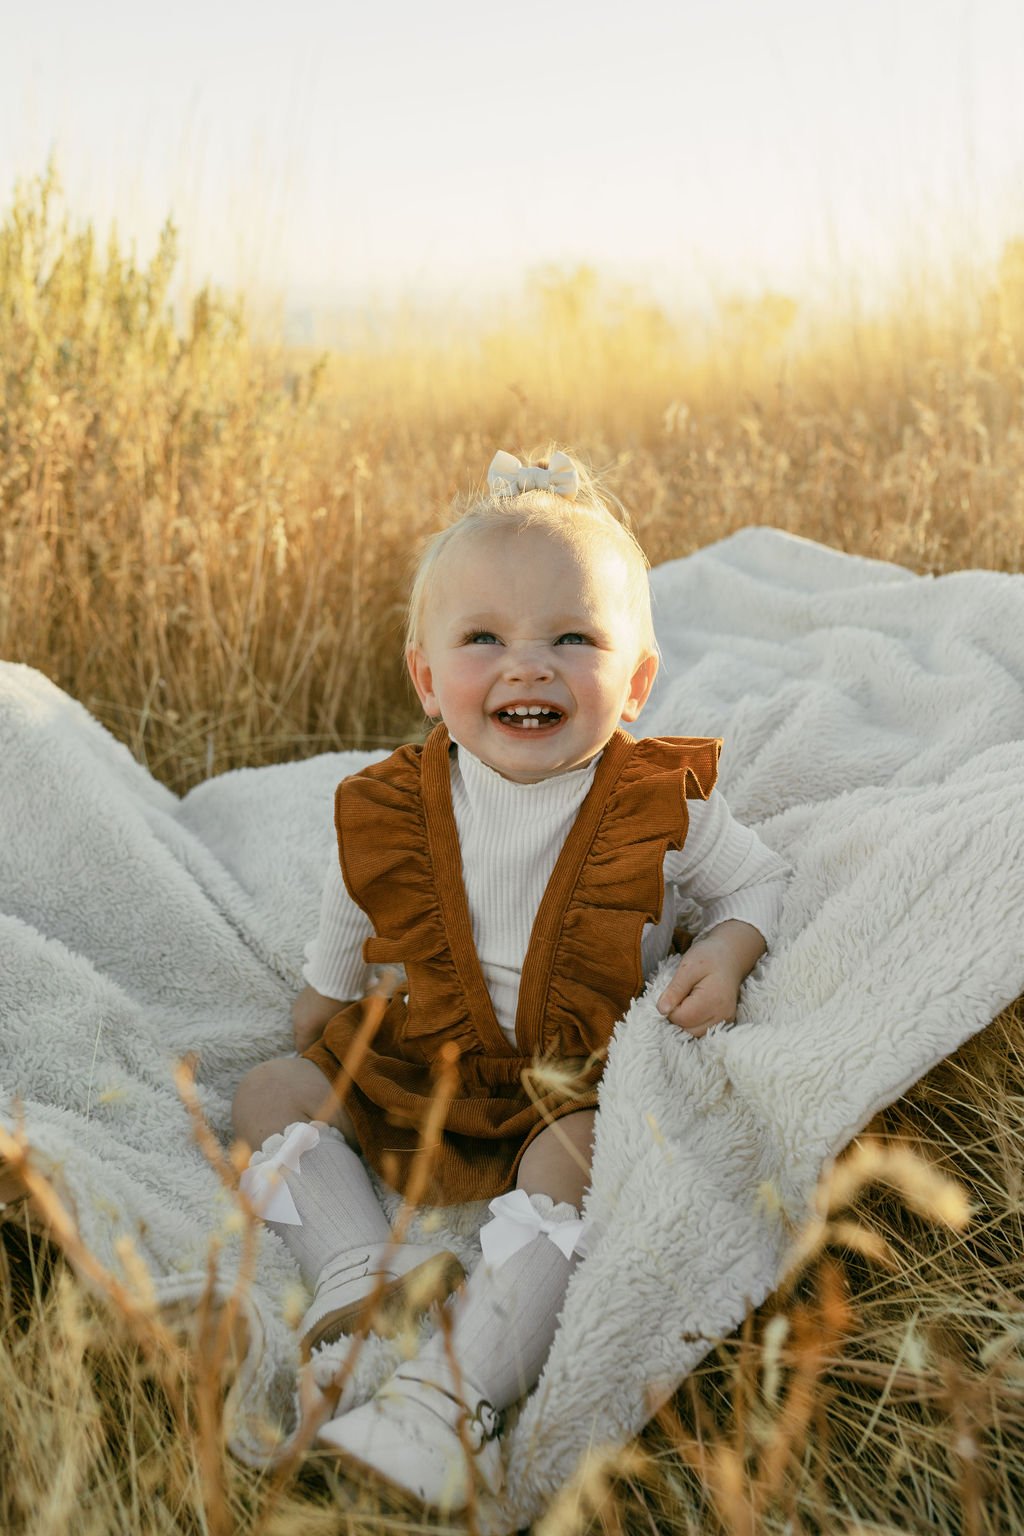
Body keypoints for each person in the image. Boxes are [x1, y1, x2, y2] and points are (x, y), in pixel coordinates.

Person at [231, 447, 791, 1510]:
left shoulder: (656, 803)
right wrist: (321, 1003)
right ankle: (360, 1272)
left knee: (580, 1162)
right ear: (427, 677)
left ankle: (456, 1394)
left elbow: (757, 881)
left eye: (571, 639)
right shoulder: (389, 805)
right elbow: (346, 923)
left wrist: (723, 952)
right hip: (422, 1062)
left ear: (634, 682)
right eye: (483, 638)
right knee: (267, 1090)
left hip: (561, 1083)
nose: (526, 666)